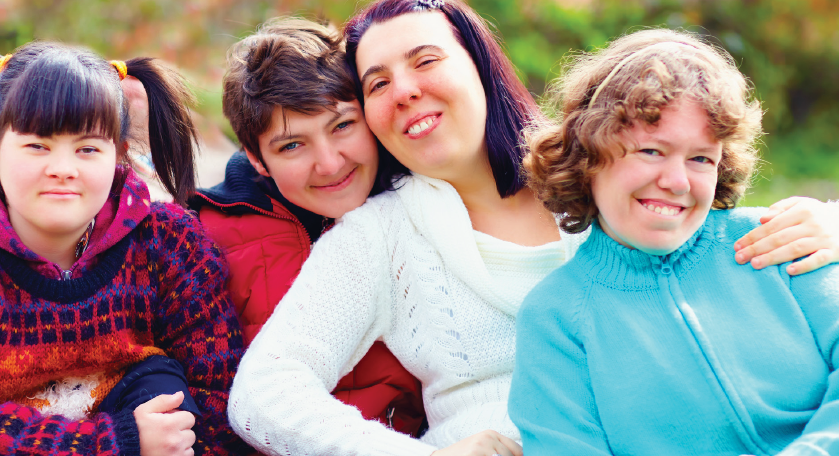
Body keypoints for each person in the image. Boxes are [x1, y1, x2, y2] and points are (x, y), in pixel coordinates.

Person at [226, 1, 839, 456]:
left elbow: (702, 203)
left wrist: (825, 222)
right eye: (378, 83)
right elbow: (263, 395)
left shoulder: (599, 163)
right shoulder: (378, 237)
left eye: (426, 60)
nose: (406, 91)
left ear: (481, 67)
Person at [0, 42, 246, 456]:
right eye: (38, 146)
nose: (63, 169)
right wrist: (116, 442)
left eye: (88, 148)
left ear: (119, 154)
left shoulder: (170, 244)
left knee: (161, 385)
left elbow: (220, 398)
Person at [511, 28, 839, 455]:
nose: (677, 181)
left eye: (701, 158)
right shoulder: (556, 316)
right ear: (588, 154)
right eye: (651, 151)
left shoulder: (776, 238)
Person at [188, 17, 426, 436]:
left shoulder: (424, 205)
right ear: (257, 158)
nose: (331, 163)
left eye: (343, 125)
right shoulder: (203, 242)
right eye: (292, 145)